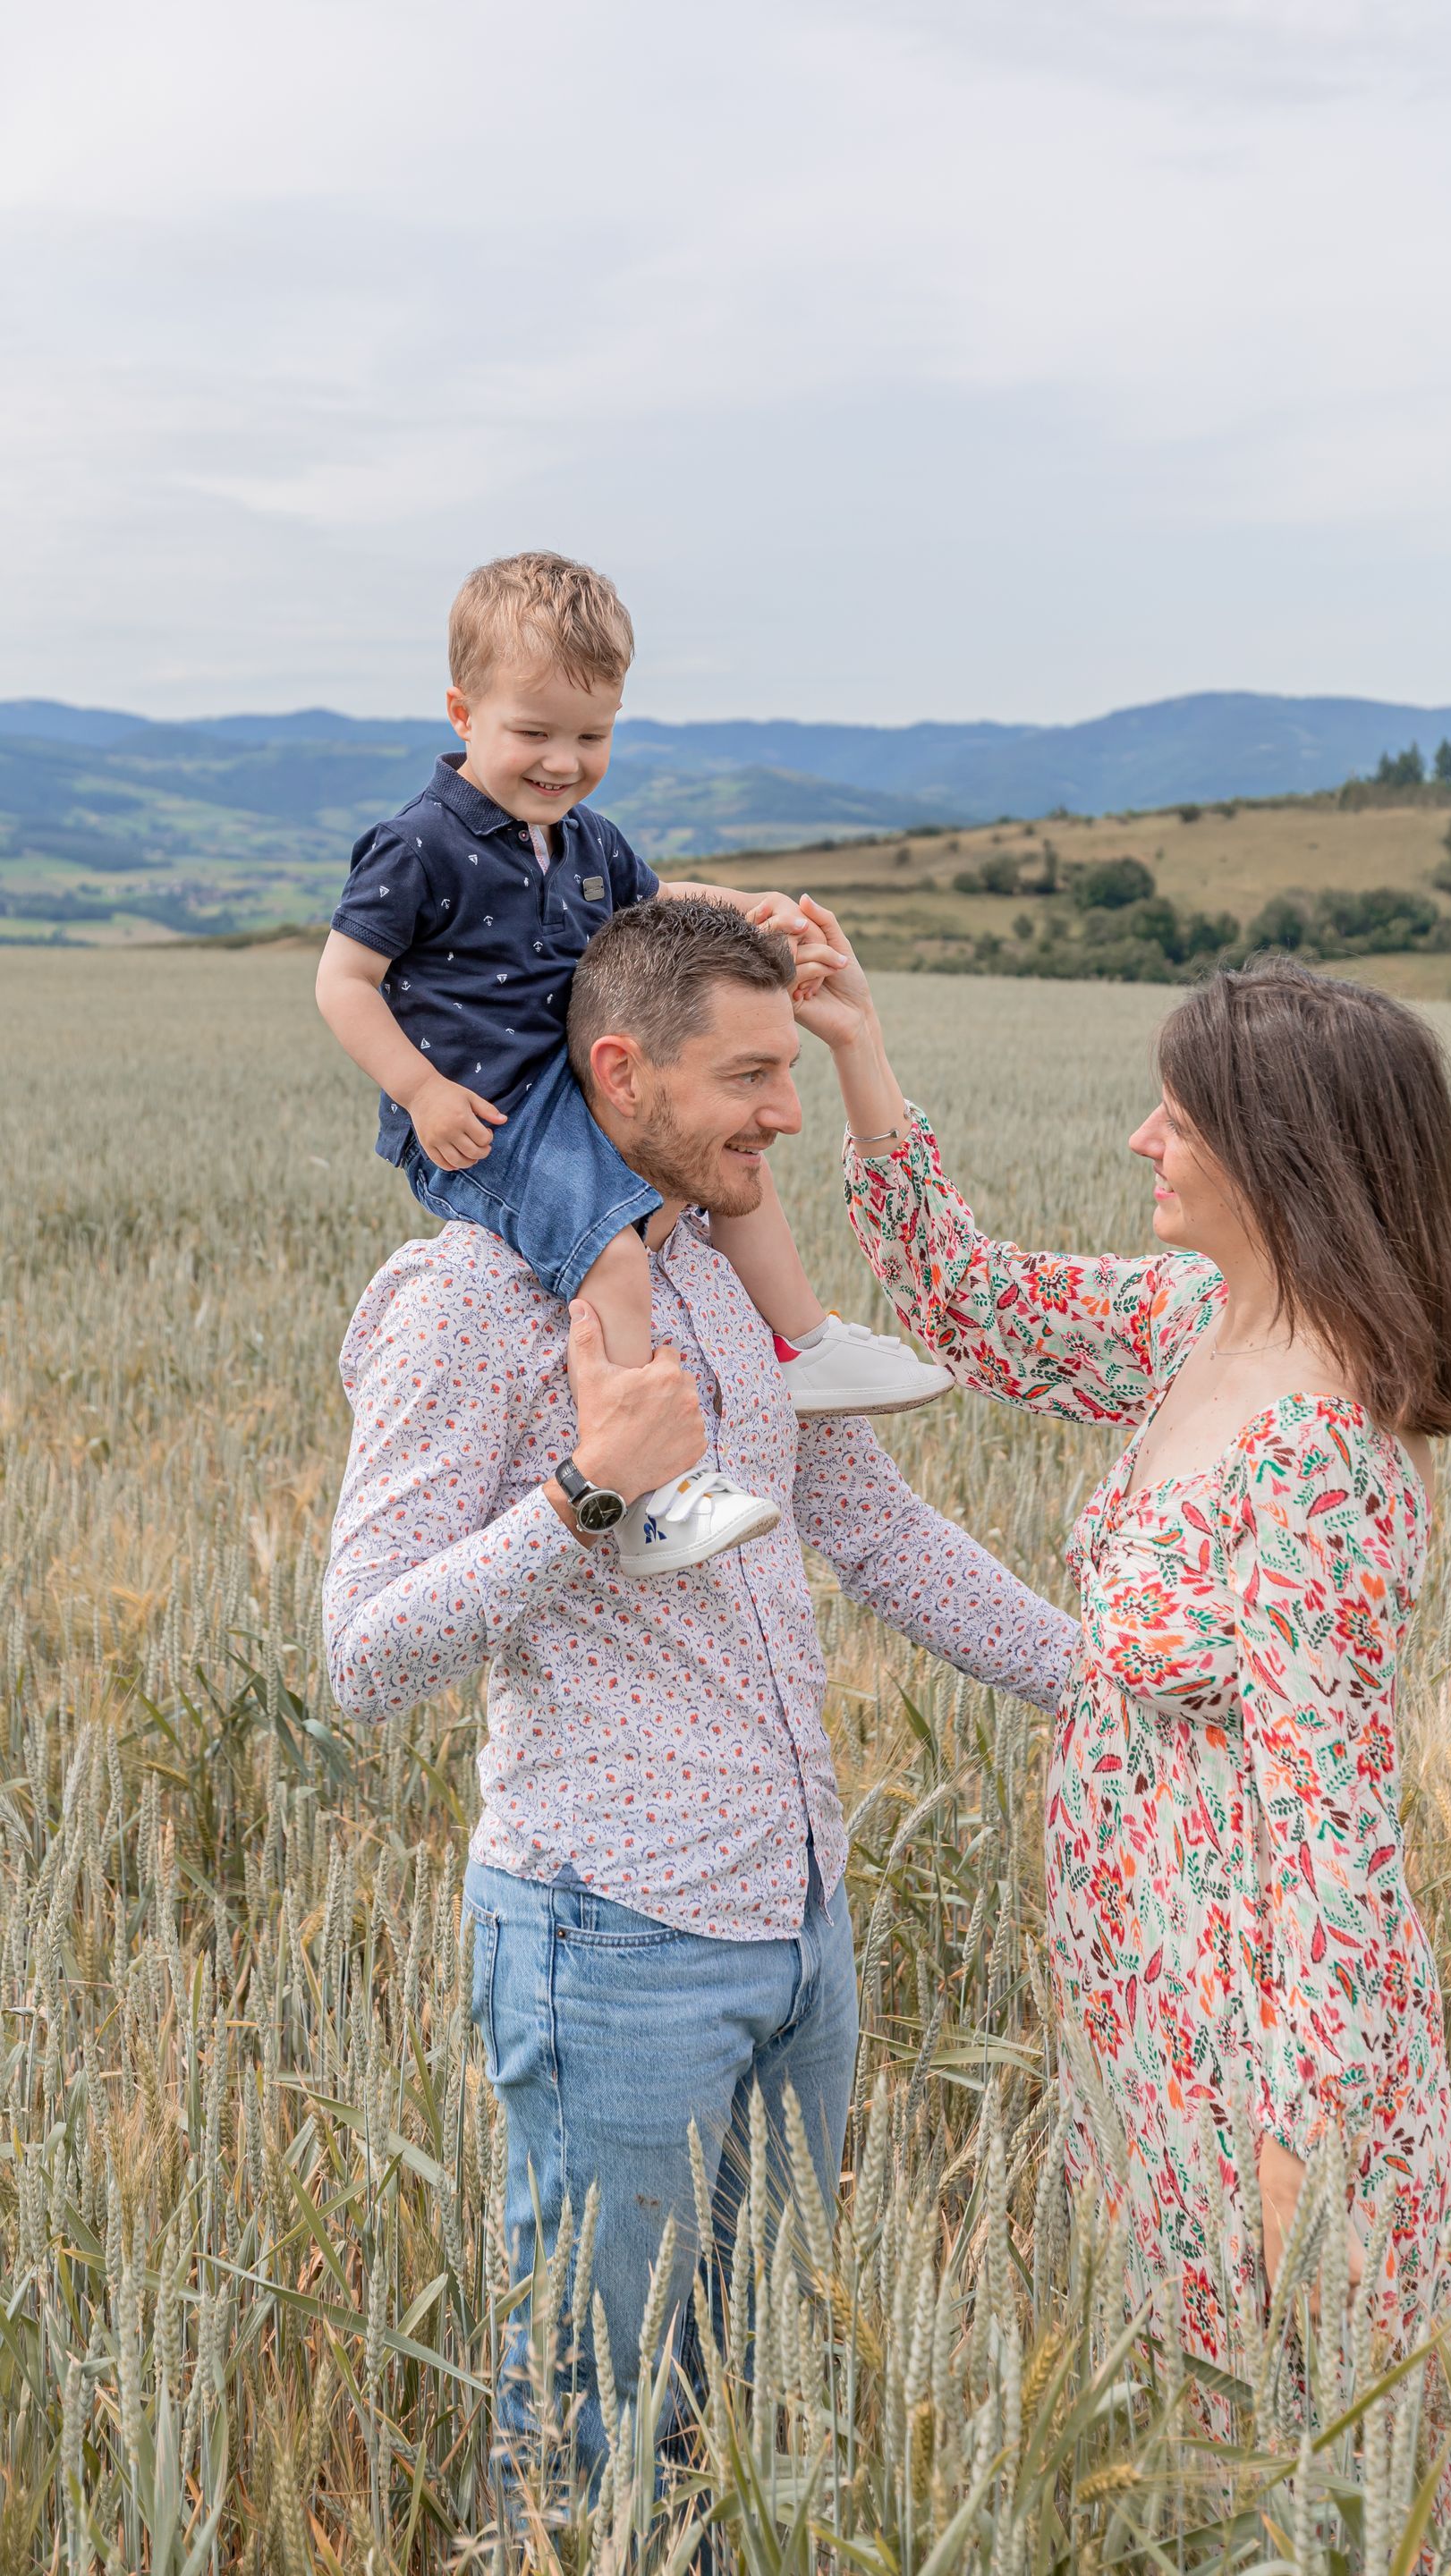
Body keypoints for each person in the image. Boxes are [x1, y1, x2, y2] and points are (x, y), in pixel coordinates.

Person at [322, 897, 1075, 2509]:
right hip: (611, 1936)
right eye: (748, 1075)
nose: (784, 1114)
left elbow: (870, 1525)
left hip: (801, 1919)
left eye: (791, 1068)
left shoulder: (719, 1269)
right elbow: (362, 1654)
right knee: (598, 2422)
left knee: (744, 2397)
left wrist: (1109, 1683)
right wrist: (588, 1495)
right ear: (622, 1070)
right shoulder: (471, 1301)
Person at [796, 911, 1451, 2386]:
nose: (1141, 1141)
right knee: (1187, 2406)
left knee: (1289, 2422)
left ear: (1278, 1157)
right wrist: (857, 1046)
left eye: (1176, 1122)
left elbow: (1335, 1834)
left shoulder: (1320, 1461)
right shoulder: (1200, 1322)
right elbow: (966, 1307)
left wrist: (1300, 2148)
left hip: (1250, 2022)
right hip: (1144, 1979)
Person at [315, 550, 949, 1581]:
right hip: (487, 1121)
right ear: (460, 712)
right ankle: (652, 1494)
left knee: (721, 1180)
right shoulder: (417, 845)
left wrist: (747, 906)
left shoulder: (584, 839)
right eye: (533, 733)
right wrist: (421, 1092)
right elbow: (343, 982)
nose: (562, 761)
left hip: (573, 1094)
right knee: (616, 1252)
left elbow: (657, 905)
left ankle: (800, 1344)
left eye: (592, 735)